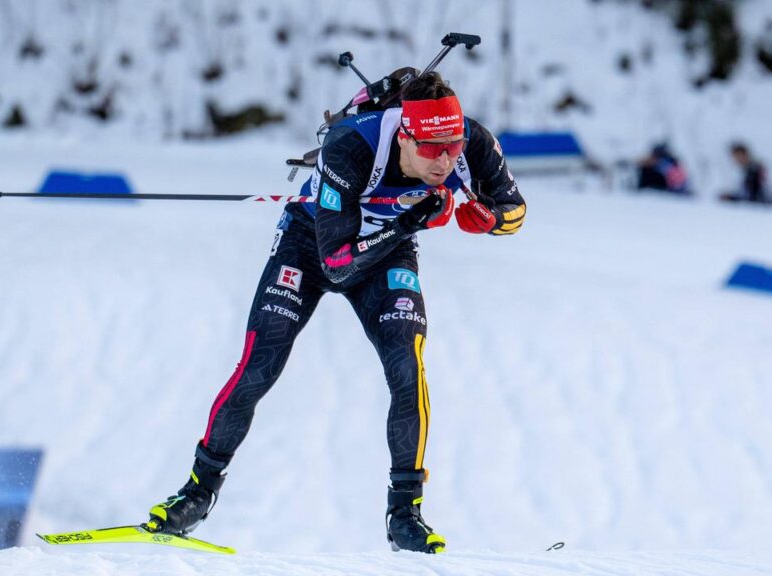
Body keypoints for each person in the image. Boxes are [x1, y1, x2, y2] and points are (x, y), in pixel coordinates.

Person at [144, 72, 525, 554]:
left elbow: (516, 211)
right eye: (431, 149)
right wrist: (409, 219)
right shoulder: (352, 145)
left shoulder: (472, 142)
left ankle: (404, 512)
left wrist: (491, 220)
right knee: (259, 367)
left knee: (407, 367)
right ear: (404, 135)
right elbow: (338, 264)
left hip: (386, 254)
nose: (445, 160)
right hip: (313, 245)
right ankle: (197, 492)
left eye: (453, 147)